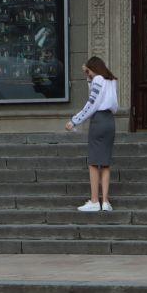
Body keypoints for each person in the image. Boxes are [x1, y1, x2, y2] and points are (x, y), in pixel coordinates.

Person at [65, 56, 119, 212]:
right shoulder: (111, 80)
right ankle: (106, 202)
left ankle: (95, 200)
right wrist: (90, 77)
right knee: (106, 163)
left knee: (94, 163)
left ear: (92, 69)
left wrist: (75, 120)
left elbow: (92, 103)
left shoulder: (97, 80)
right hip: (110, 121)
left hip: (99, 121)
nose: (87, 74)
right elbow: (110, 102)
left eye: (87, 71)